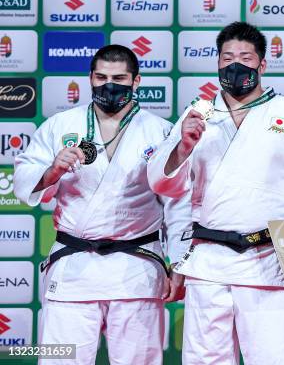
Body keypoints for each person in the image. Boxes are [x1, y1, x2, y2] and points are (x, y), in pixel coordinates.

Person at [146, 21, 284, 365]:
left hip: (269, 260)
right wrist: (182, 148)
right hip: (208, 262)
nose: (236, 64)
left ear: (262, 65)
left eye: (245, 56)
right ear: (217, 63)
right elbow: (164, 184)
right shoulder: (198, 113)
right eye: (227, 57)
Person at [13, 45, 191, 365]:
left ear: (136, 81)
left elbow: (178, 204)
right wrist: (53, 170)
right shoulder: (60, 126)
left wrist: (178, 263)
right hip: (74, 269)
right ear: (90, 79)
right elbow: (25, 180)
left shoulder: (159, 130)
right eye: (102, 77)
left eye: (119, 78)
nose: (110, 84)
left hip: (136, 269)